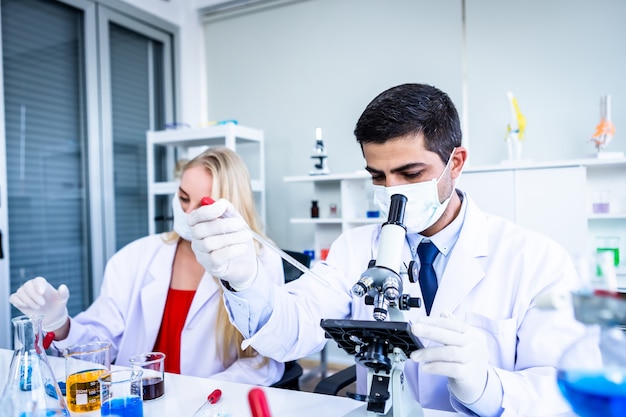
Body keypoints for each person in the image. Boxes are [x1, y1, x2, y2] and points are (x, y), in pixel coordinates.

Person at [188, 84, 587, 415]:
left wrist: (487, 386)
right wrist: (244, 280)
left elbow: (563, 392)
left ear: (457, 162)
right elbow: (292, 334)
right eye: (378, 176)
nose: (393, 190)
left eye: (411, 173)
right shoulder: (356, 247)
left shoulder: (536, 260)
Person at [9, 147, 285, 385]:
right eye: (182, 198)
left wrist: (198, 394)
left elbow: (265, 362)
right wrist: (61, 325)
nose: (187, 214)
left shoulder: (258, 262)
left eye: (202, 205)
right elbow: (102, 341)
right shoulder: (135, 257)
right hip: (136, 400)